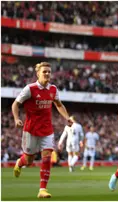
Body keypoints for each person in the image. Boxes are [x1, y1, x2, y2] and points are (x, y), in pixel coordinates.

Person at [12, 62, 70, 198]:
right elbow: (15, 104)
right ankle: (19, 163)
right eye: (44, 72)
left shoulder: (53, 89)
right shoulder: (29, 89)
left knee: (47, 157)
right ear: (38, 74)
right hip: (30, 130)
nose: (47, 74)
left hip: (47, 130)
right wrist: (16, 119)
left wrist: (67, 117)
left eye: (49, 72)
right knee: (29, 160)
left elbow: (59, 105)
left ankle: (42, 189)